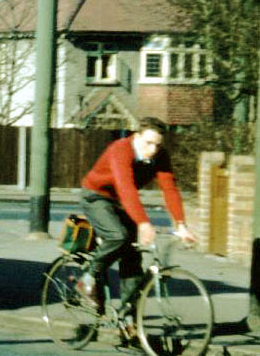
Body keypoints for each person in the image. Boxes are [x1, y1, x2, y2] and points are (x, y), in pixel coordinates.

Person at [77, 117, 198, 322]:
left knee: (133, 258)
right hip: (96, 196)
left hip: (120, 202)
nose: (153, 149)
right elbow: (126, 188)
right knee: (119, 236)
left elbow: (169, 189)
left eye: (157, 145)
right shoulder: (120, 150)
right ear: (137, 136)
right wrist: (143, 223)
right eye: (148, 143)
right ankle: (87, 279)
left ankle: (129, 321)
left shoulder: (160, 156)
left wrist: (181, 225)